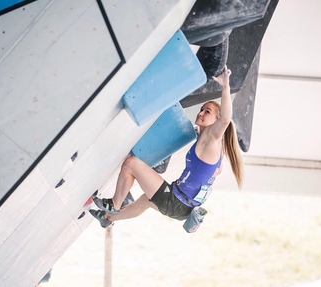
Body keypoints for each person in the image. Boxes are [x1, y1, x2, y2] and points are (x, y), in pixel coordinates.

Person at [90, 66, 244, 228]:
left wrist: (225, 87)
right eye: (201, 109)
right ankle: (108, 218)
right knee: (145, 201)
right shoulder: (210, 145)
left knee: (131, 164)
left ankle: (114, 204)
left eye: (207, 112)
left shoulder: (211, 138)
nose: (201, 113)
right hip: (182, 207)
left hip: (176, 201)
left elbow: (226, 119)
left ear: (216, 121)